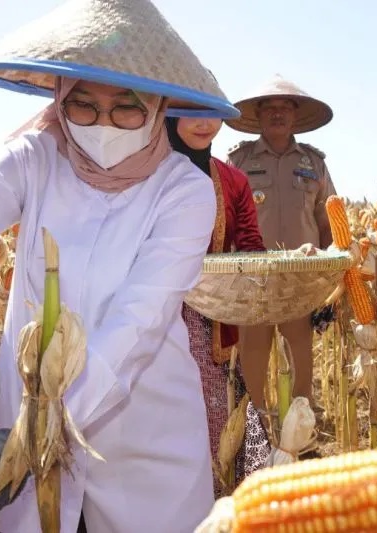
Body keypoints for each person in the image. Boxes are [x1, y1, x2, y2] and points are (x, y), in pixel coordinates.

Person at [0, 0, 241, 531]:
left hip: (144, 457)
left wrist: (28, 439)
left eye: (126, 107)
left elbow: (136, 327)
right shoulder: (35, 159)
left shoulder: (185, 189)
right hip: (20, 453)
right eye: (82, 105)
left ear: (157, 106)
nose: (103, 124)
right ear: (59, 99)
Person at [166, 115, 271, 495]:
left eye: (212, 111)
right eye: (191, 111)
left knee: (215, 427)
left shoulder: (233, 180)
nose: (203, 123)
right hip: (151, 324)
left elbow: (251, 247)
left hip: (211, 326)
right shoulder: (141, 172)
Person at [225, 75, 337, 413]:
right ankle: (255, 441)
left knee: (300, 360)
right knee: (252, 363)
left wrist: (331, 276)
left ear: (295, 115)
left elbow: (328, 220)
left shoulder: (314, 163)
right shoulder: (239, 161)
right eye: (269, 108)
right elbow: (226, 220)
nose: (277, 114)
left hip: (300, 281)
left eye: (285, 108)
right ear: (257, 116)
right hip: (253, 279)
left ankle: (300, 442)